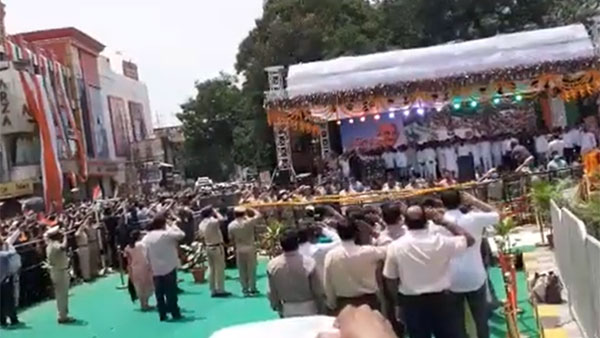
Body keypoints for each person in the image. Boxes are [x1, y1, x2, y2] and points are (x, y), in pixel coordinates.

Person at [383, 204, 475, 338]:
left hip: (412, 303)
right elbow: (470, 240)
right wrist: (444, 222)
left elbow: (390, 278)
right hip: (442, 301)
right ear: (426, 221)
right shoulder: (442, 242)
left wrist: (398, 302)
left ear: (405, 222)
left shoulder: (395, 247)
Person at [441, 190, 500, 338]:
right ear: (461, 201)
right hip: (475, 275)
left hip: (451, 278)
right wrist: (475, 201)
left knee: (457, 322)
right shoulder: (474, 218)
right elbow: (497, 214)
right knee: (481, 319)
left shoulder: (437, 224)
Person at [323, 222, 386, 313]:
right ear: (356, 234)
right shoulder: (369, 252)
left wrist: (331, 303)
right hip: (369, 301)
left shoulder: (331, 255)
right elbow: (389, 249)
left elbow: (328, 281)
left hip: (344, 303)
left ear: (338, 234)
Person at [267, 229, 324, 318]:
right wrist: (321, 308)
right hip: (309, 308)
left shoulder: (272, 265)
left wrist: (277, 306)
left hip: (287, 308)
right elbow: (318, 290)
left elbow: (272, 291)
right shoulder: (309, 263)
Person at [142, 215, 184, 321]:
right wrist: (172, 226)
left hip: (155, 268)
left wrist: (149, 264)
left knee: (159, 293)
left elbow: (145, 253)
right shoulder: (166, 234)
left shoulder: (146, 237)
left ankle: (162, 314)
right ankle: (174, 312)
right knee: (171, 292)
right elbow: (181, 235)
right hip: (169, 266)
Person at [228, 206, 262, 296]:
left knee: (242, 270)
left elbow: (231, 239)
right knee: (251, 269)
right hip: (250, 247)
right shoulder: (249, 222)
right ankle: (253, 288)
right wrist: (251, 208)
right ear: (244, 213)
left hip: (239, 248)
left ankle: (245, 289)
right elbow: (259, 215)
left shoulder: (231, 225)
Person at [198, 207, 231, 298]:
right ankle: (220, 289)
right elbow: (223, 219)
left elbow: (201, 235)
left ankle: (212, 289)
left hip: (208, 246)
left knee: (211, 269)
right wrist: (216, 212)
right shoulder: (212, 221)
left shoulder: (201, 224)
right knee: (219, 269)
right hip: (216, 246)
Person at [45, 227, 75, 324]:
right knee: (62, 294)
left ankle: (62, 314)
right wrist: (65, 236)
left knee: (60, 294)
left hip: (56, 270)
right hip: (60, 271)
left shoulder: (49, 245)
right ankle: (63, 316)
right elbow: (63, 247)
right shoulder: (55, 244)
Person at [125, 230, 154, 311]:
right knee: (147, 285)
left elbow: (128, 261)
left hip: (134, 268)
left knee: (139, 286)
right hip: (144, 266)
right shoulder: (141, 245)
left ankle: (142, 303)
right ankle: (146, 303)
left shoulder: (128, 247)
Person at [0, 229, 21, 327]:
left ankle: (2, 321)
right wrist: (9, 246)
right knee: (9, 300)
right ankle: (13, 319)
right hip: (5, 280)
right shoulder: (3, 254)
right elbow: (12, 253)